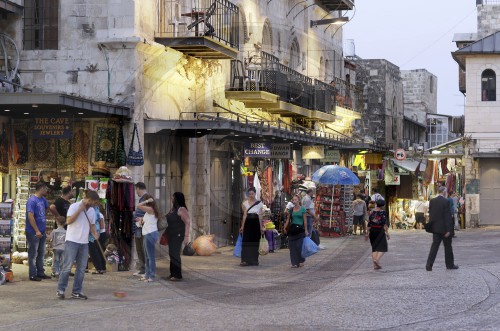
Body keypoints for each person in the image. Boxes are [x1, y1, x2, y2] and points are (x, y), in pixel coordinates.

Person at [56, 190, 100, 300]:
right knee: (67, 267)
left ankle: (76, 291)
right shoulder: (74, 206)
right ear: (88, 200)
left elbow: (92, 225)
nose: (94, 204)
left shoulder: (92, 211)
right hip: (72, 241)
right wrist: (80, 210)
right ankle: (61, 289)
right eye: (93, 202)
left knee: (81, 269)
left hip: (84, 242)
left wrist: (95, 233)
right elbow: (69, 221)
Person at [426, 186, 458, 271]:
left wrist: (432, 227)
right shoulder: (446, 201)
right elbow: (447, 217)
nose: (446, 193)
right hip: (444, 229)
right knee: (448, 247)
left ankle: (429, 265)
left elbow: (431, 216)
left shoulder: (432, 201)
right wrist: (449, 230)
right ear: (443, 192)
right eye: (446, 191)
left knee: (434, 247)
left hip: (436, 229)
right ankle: (450, 265)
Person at [26, 181, 51, 281]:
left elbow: (47, 208)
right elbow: (30, 216)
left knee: (41, 253)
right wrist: (36, 230)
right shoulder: (32, 201)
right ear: (41, 188)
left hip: (42, 231)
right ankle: (32, 274)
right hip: (33, 232)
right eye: (45, 188)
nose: (47, 190)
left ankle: (40, 272)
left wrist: (42, 218)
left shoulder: (43, 199)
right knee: (33, 254)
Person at [166, 192, 191, 280]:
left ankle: (177, 275)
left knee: (175, 254)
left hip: (178, 234)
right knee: (171, 254)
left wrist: (186, 236)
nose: (172, 199)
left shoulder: (182, 209)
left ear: (177, 199)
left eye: (173, 197)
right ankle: (172, 273)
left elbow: (187, 223)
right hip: (171, 234)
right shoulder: (173, 209)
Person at [136, 194, 159, 282]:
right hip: (147, 234)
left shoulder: (150, 209)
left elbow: (138, 206)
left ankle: (152, 276)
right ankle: (147, 275)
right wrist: (141, 220)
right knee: (147, 257)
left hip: (150, 234)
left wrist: (147, 200)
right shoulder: (149, 211)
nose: (144, 202)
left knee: (150, 257)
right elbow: (147, 220)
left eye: (145, 201)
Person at [239, 187, 264, 266]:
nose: (251, 195)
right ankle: (245, 260)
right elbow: (244, 215)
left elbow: (260, 216)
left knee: (255, 241)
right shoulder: (245, 203)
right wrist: (242, 226)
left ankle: (254, 260)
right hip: (248, 223)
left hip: (256, 223)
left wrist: (261, 227)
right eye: (249, 194)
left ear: (255, 194)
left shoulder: (259, 203)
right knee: (246, 241)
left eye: (252, 194)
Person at [284, 194, 308, 268]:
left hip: (300, 230)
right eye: (293, 200)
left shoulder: (303, 209)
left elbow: (305, 221)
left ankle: (300, 261)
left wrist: (306, 230)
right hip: (293, 230)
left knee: (299, 246)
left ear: (299, 200)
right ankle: (294, 262)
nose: (294, 201)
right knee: (292, 247)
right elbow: (288, 219)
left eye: (295, 200)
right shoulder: (291, 209)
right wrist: (284, 227)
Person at [365, 199, 389, 270]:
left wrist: (367, 233)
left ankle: (375, 265)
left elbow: (369, 224)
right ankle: (377, 260)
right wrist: (387, 233)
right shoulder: (383, 212)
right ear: (383, 205)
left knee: (374, 248)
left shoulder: (372, 212)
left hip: (372, 231)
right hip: (380, 230)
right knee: (383, 247)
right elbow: (384, 224)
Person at [132, 182, 147, 277]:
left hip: (142, 228)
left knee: (143, 249)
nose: (136, 192)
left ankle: (146, 270)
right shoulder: (142, 199)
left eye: (136, 189)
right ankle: (142, 269)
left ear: (138, 188)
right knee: (139, 249)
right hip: (138, 228)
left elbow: (150, 212)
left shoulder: (146, 198)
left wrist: (141, 219)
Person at [88, 205, 106, 275]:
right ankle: (102, 267)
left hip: (100, 233)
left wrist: (97, 233)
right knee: (99, 251)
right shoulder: (98, 214)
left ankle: (99, 267)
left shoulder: (99, 215)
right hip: (99, 233)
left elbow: (102, 226)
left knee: (97, 251)